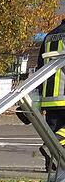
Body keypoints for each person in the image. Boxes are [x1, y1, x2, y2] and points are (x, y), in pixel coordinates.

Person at [38, 18, 65, 171]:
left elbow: (40, 66)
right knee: (59, 135)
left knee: (53, 129)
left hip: (49, 95)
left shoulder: (50, 35)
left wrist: (41, 92)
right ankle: (51, 146)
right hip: (64, 91)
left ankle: (51, 164)